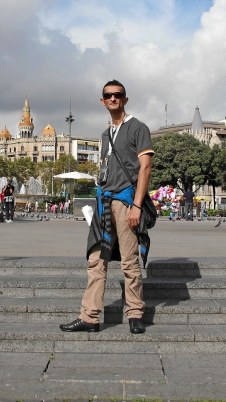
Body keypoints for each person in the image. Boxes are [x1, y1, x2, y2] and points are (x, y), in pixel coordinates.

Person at [61, 79, 153, 335]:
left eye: (118, 95)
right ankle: (89, 316)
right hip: (103, 203)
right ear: (102, 101)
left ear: (125, 98)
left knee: (129, 262)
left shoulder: (138, 128)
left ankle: (135, 314)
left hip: (125, 202)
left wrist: (136, 206)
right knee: (95, 260)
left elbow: (145, 167)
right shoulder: (105, 134)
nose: (113, 98)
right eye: (108, 95)